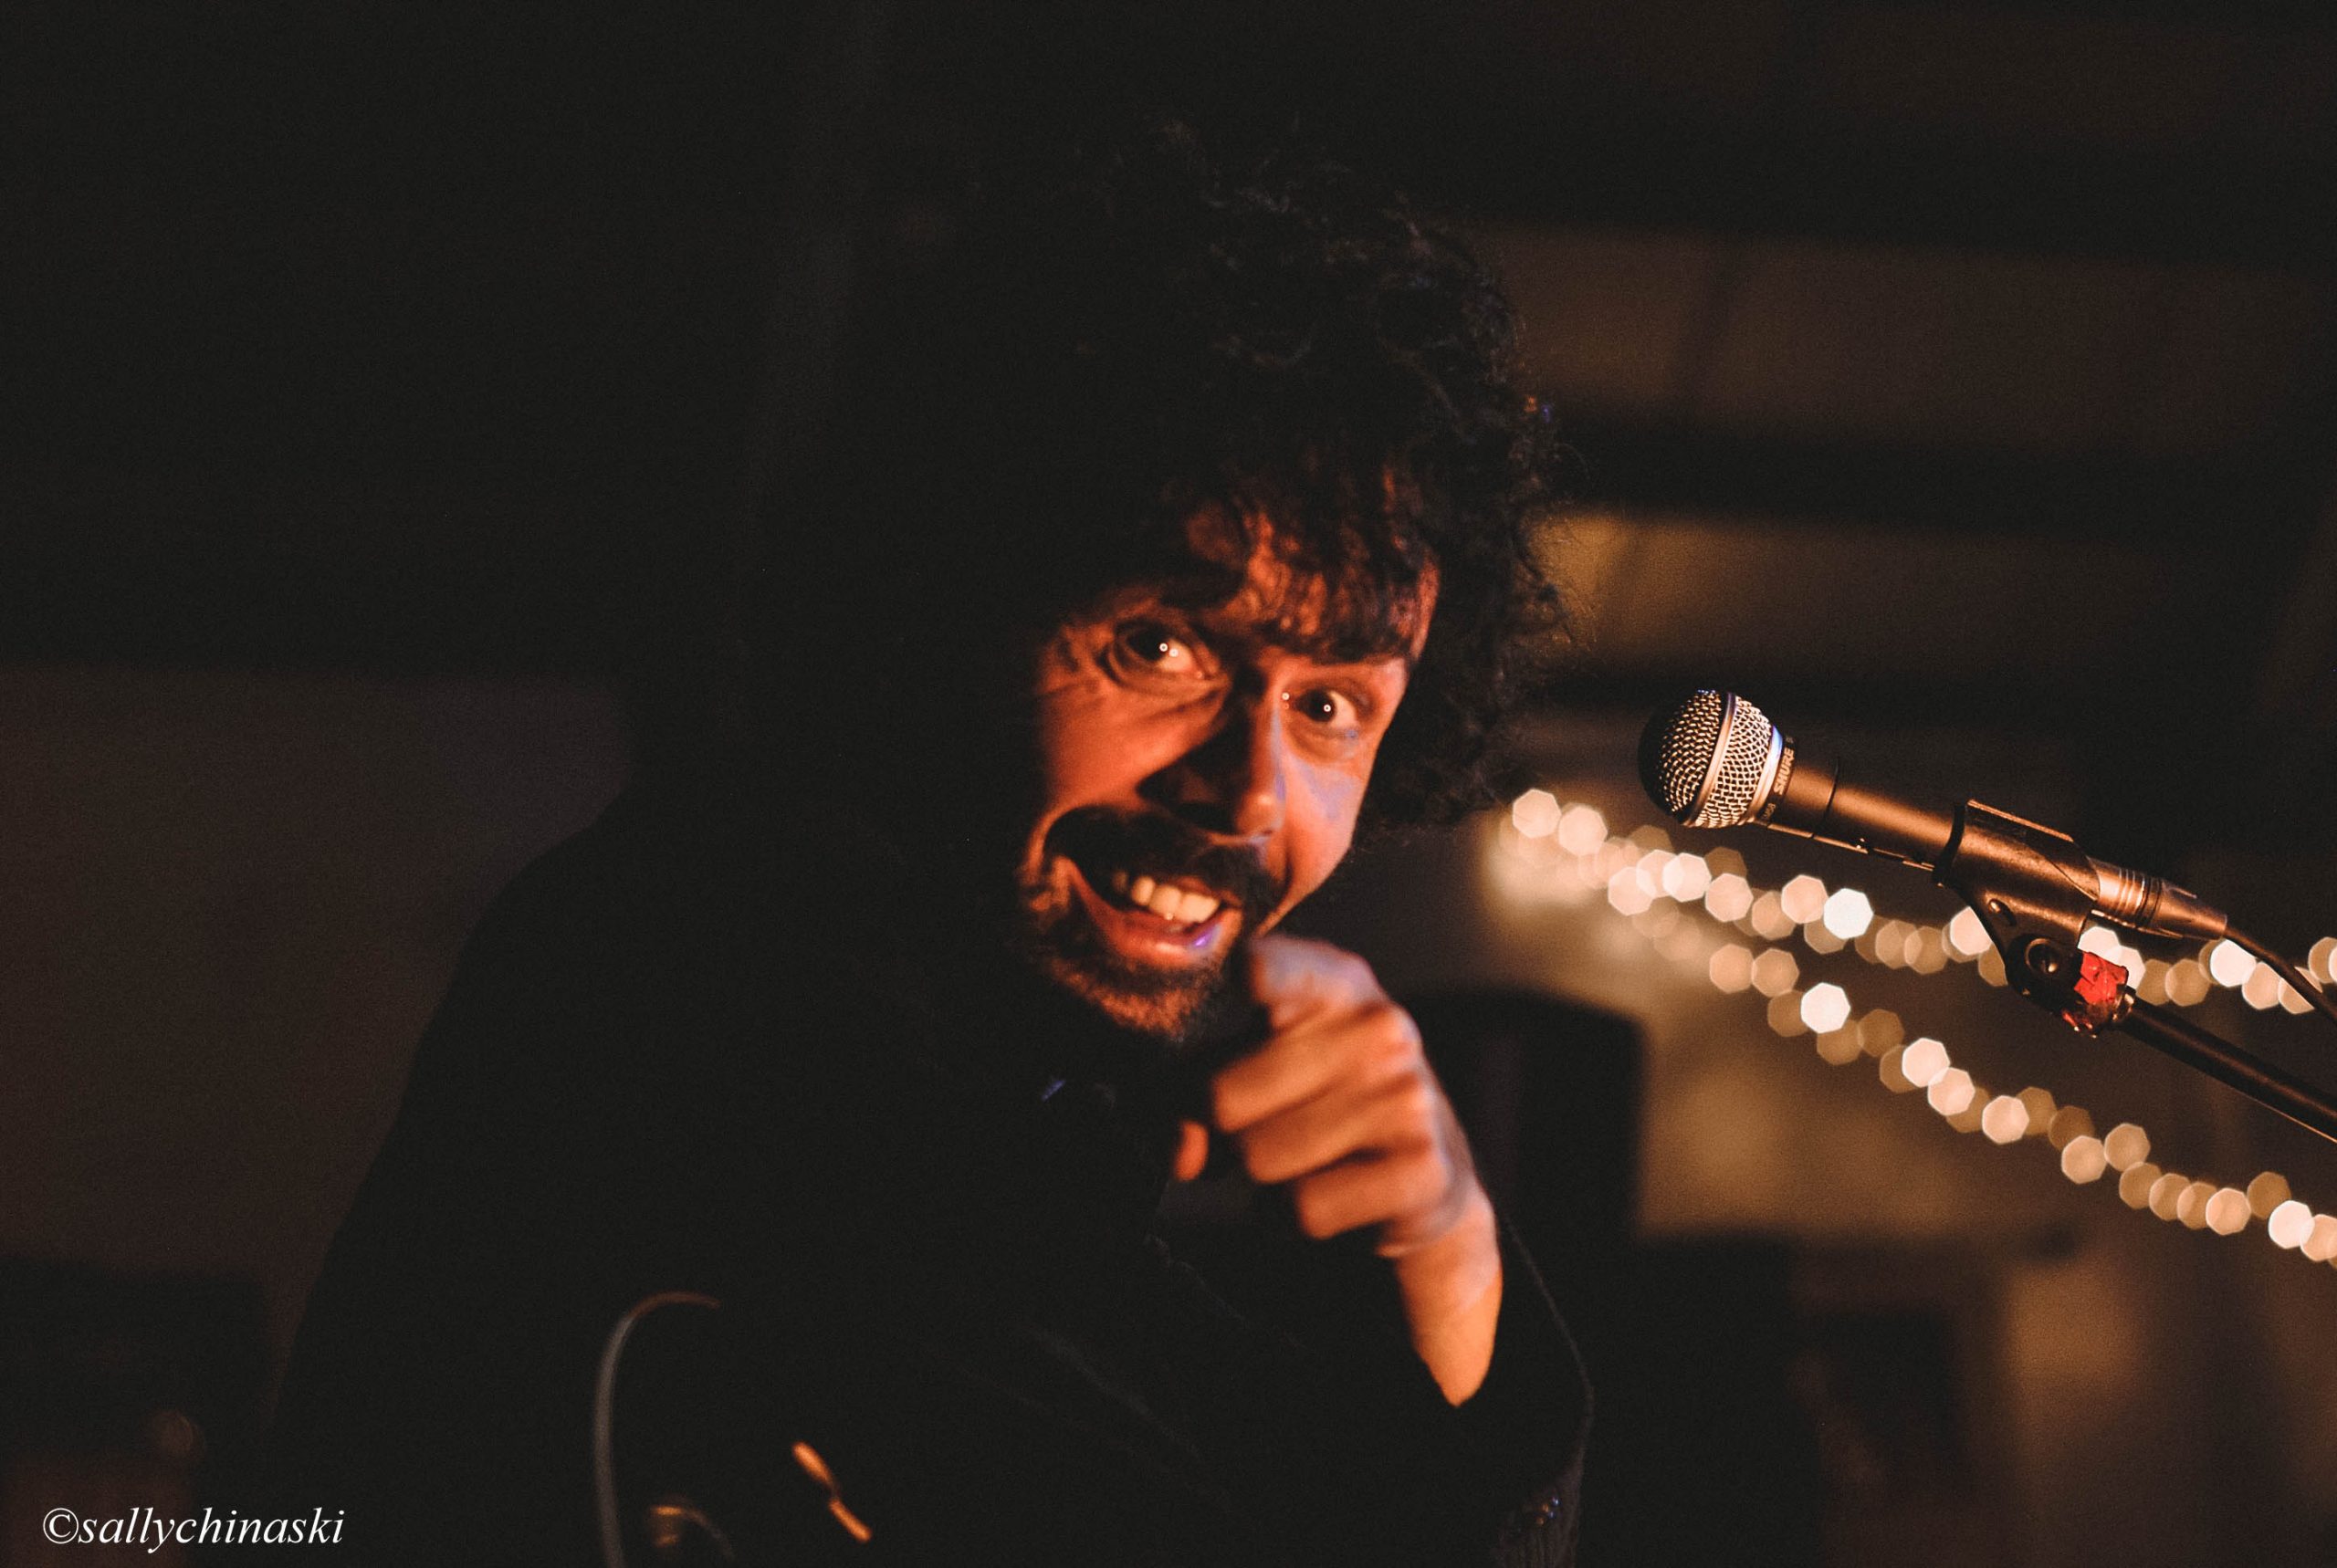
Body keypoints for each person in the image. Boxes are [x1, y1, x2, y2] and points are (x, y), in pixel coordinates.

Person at [264, 111, 1588, 1565]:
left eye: (1329, 705)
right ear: (945, 597)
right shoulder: (689, 976)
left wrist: (1452, 1268)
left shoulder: (1070, 1121)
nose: (1251, 793)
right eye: (1159, 644)